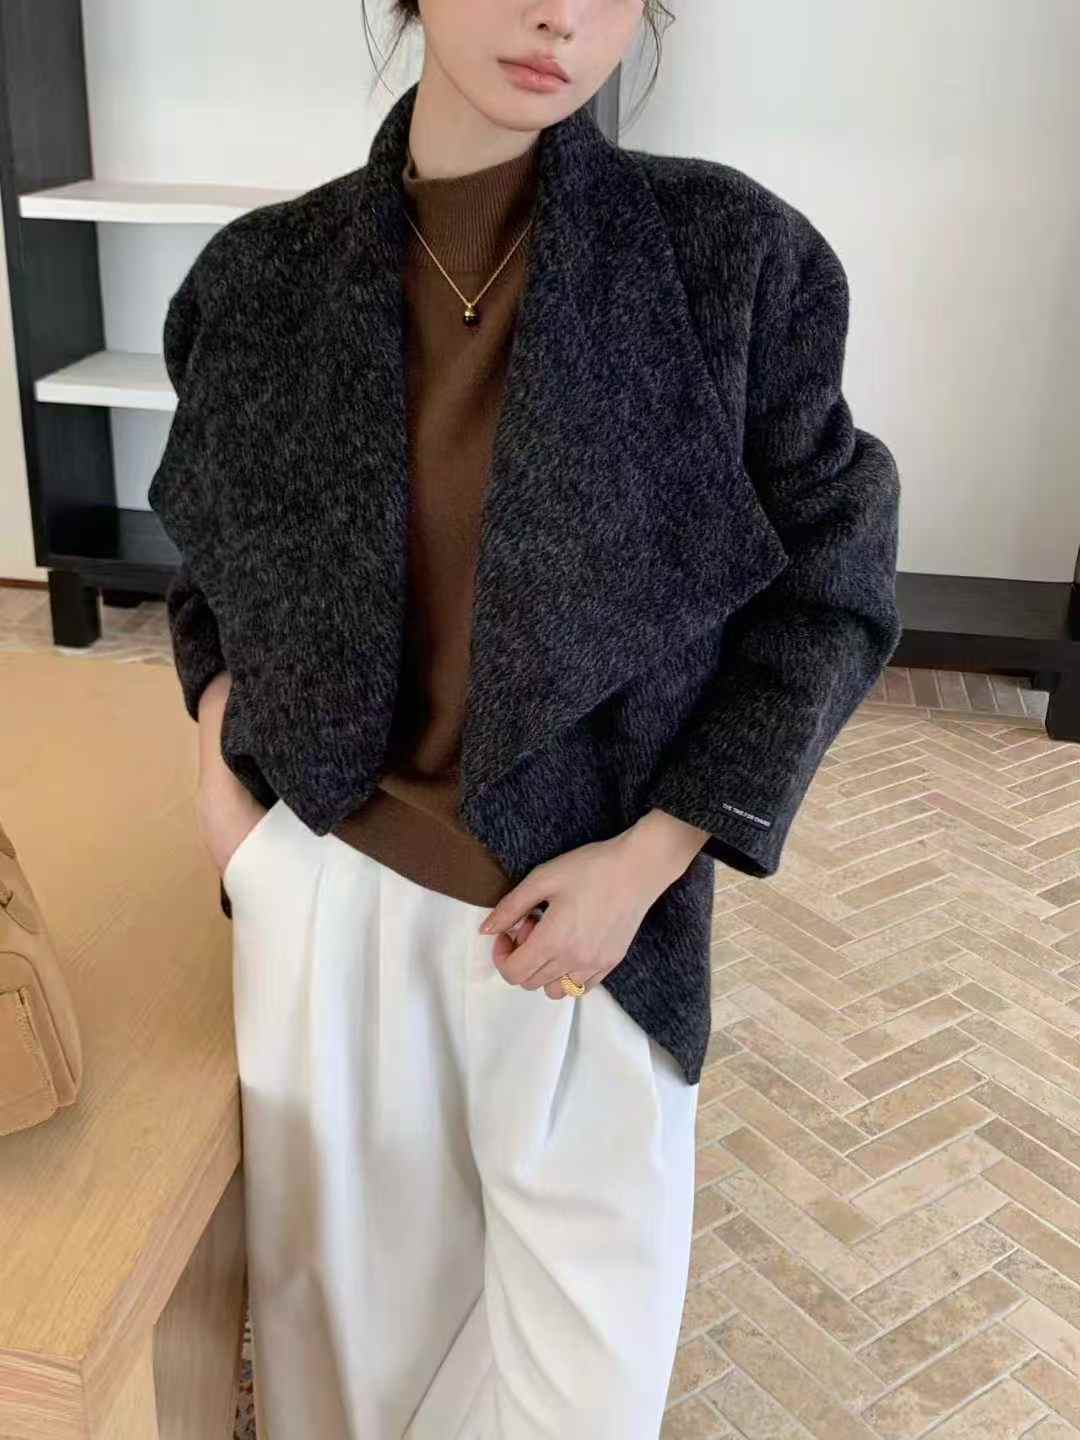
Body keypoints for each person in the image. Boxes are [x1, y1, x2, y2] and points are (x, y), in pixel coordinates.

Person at [148, 2, 903, 1436]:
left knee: (580, 1399)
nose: (561, 13)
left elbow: (835, 589)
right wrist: (229, 800)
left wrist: (656, 856)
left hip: (586, 933)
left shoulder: (735, 261)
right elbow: (212, 563)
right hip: (329, 911)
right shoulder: (256, 279)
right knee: (341, 1393)